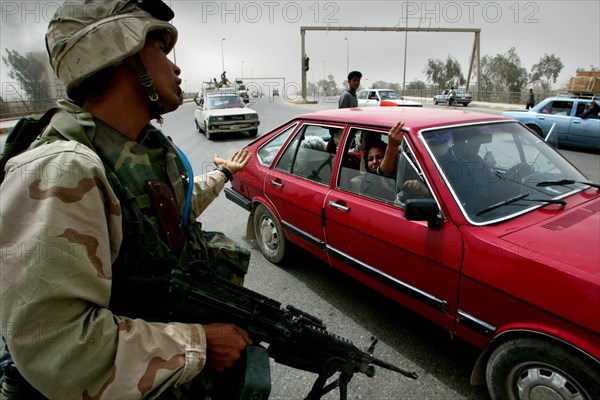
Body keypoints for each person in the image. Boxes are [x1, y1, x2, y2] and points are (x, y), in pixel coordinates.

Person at [0, 1, 253, 398]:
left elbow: (165, 213)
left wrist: (222, 175)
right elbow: (60, 346)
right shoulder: (64, 169)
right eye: (160, 49)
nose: (176, 67)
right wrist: (200, 345)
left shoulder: (142, 148)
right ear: (120, 52)